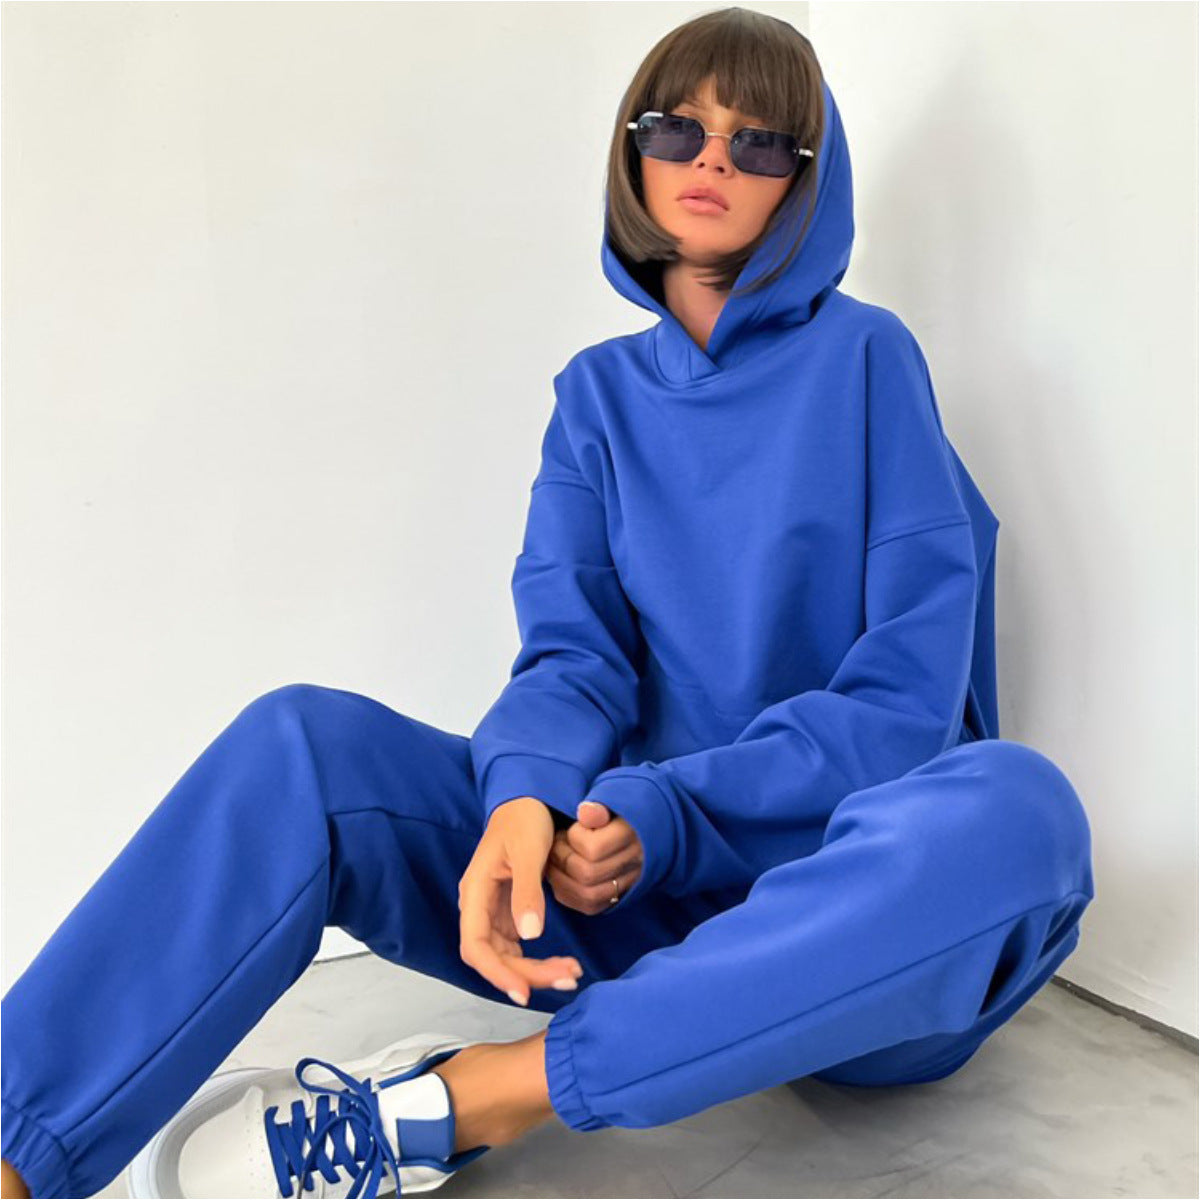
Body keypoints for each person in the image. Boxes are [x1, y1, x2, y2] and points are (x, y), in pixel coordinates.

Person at [1, 8, 1095, 1199]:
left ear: (806, 182)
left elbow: (907, 705)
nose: (712, 160)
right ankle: (17, 1149)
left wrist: (665, 812)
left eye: (759, 142)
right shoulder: (596, 398)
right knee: (302, 744)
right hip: (632, 904)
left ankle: (472, 1098)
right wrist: (526, 800)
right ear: (635, 151)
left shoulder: (869, 361)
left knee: (1022, 811)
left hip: (856, 945)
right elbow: (573, 656)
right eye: (678, 129)